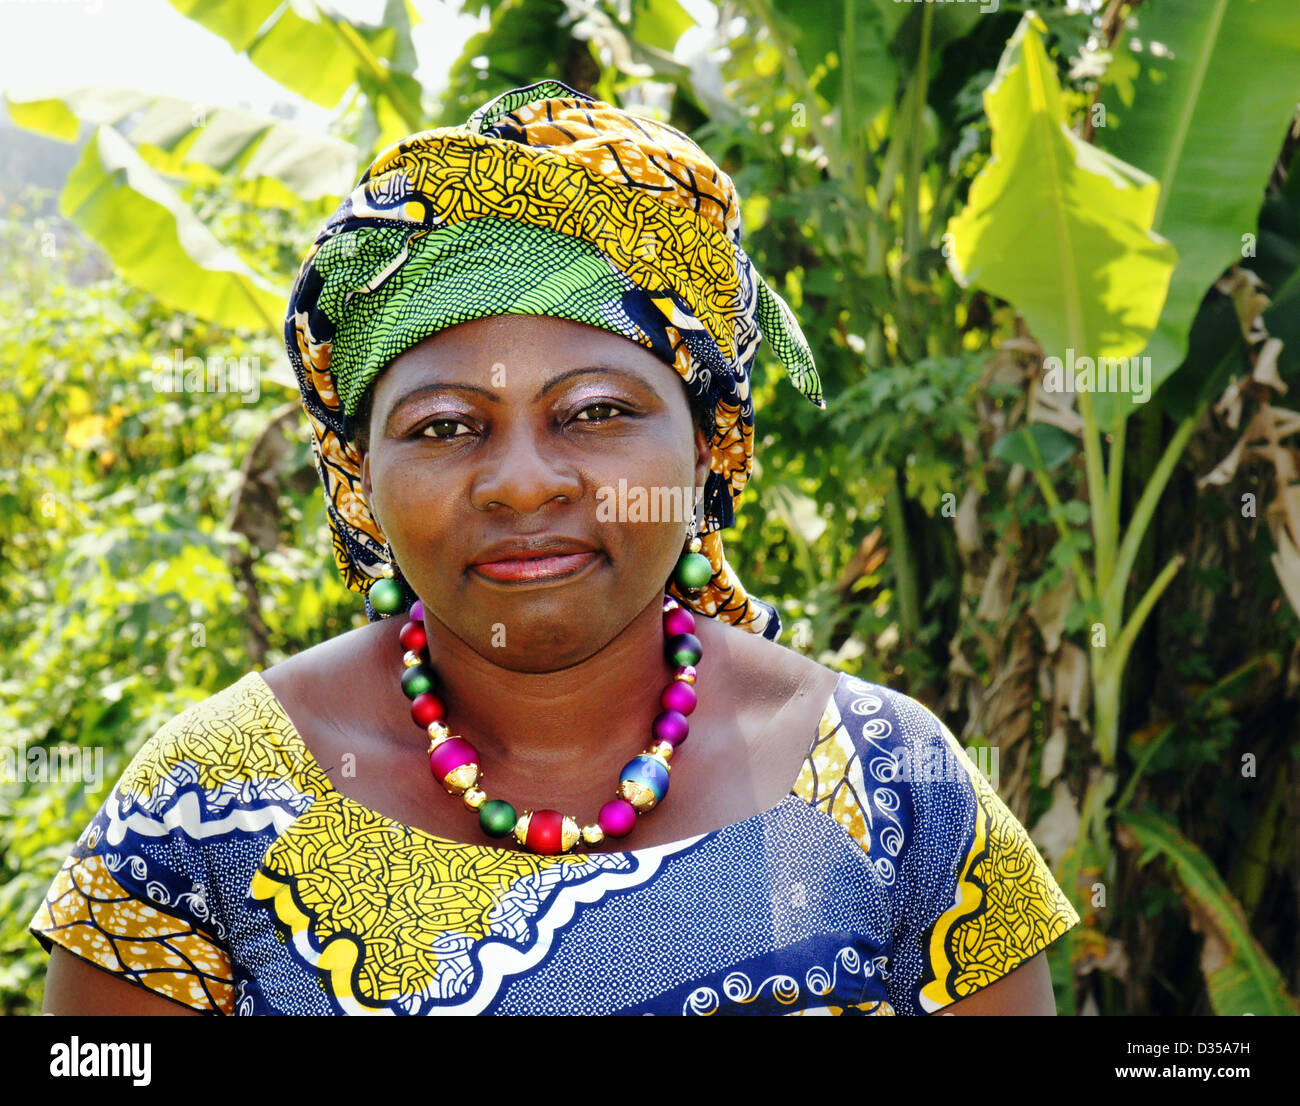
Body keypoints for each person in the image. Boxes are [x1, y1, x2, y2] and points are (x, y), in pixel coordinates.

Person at [31, 80, 1079, 1016]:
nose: (525, 479)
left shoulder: (894, 783)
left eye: (593, 411)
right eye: (445, 425)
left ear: (706, 443)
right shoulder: (198, 811)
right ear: (359, 477)